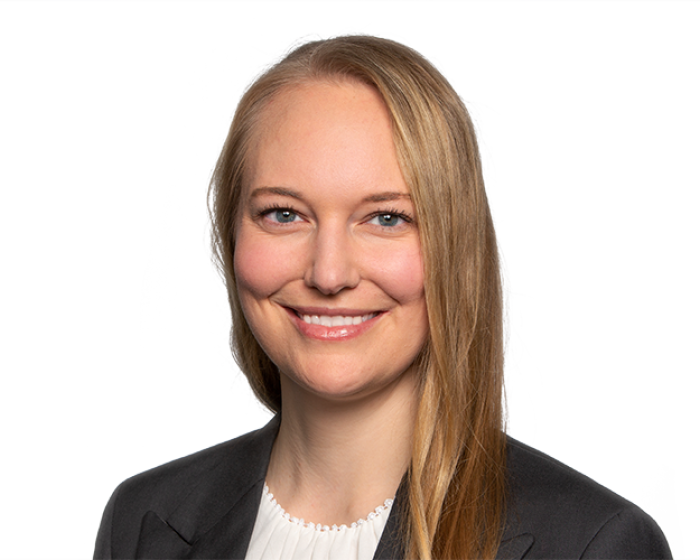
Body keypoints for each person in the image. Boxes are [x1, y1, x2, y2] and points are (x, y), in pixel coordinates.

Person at [92, 32, 673, 560]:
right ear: (232, 235)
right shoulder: (141, 521)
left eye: (386, 218)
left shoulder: (593, 545)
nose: (328, 274)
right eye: (284, 214)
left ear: (454, 248)